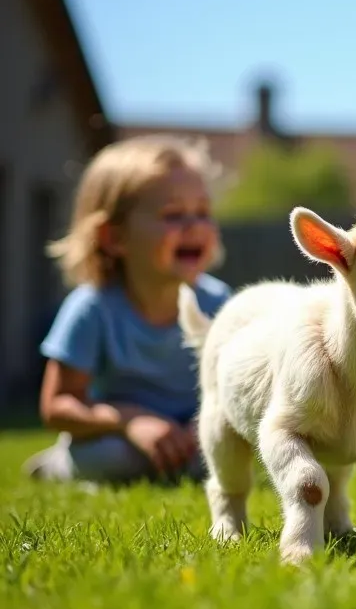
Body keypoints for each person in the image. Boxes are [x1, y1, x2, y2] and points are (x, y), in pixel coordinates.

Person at [22, 134, 233, 483]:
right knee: (107, 457)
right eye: (173, 214)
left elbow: (234, 387)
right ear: (114, 238)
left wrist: (199, 427)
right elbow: (57, 406)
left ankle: (172, 464)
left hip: (193, 436)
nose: (194, 225)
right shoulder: (92, 308)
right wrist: (130, 421)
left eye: (203, 212)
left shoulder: (220, 304)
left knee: (235, 449)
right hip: (121, 437)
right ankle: (58, 466)